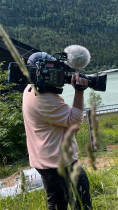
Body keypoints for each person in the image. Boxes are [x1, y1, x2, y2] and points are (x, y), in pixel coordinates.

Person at [22, 52, 92, 210]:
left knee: (55, 201)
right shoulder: (45, 99)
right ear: (39, 73)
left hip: (42, 160)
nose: (57, 77)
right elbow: (74, 122)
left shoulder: (29, 89)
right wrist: (79, 91)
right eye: (52, 73)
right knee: (81, 202)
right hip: (60, 162)